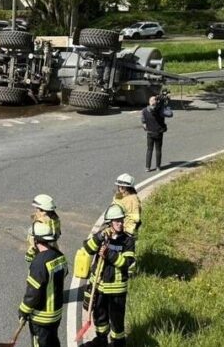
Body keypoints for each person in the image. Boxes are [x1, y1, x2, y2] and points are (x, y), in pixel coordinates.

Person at [81, 204, 136, 347]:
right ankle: (101, 341)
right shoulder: (103, 236)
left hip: (116, 290)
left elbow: (127, 263)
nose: (121, 223)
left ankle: (118, 343)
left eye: (122, 220)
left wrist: (109, 254)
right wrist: (99, 237)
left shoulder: (127, 240)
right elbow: (87, 248)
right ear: (109, 223)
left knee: (117, 322)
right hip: (99, 287)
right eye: (117, 221)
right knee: (100, 317)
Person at [18, 221, 67, 347]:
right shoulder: (59, 256)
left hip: (41, 317)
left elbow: (33, 293)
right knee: (53, 342)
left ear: (36, 240)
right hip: (56, 314)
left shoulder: (39, 263)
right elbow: (65, 273)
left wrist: (23, 311)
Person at [26, 194, 61, 263]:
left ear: (43, 210)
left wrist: (30, 252)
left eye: (37, 209)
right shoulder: (55, 220)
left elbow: (33, 237)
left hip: (40, 252)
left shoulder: (41, 224)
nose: (36, 211)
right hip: (53, 250)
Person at [141, 94, 169, 172]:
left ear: (149, 102)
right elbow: (170, 114)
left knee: (149, 150)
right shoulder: (160, 110)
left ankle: (147, 167)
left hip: (150, 133)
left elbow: (143, 122)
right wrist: (164, 105)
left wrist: (147, 128)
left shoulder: (144, 110)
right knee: (158, 150)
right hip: (158, 132)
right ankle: (158, 166)